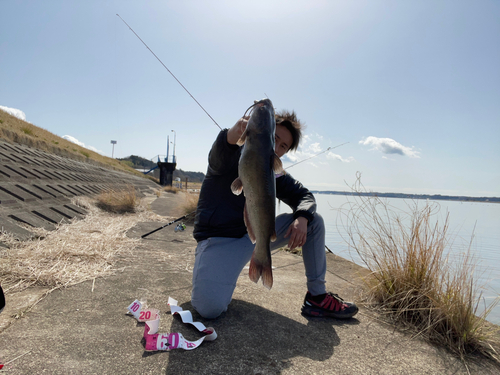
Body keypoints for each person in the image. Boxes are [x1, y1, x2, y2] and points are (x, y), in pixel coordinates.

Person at [191, 106, 358, 320]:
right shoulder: (229, 155)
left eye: (283, 146)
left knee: (314, 221)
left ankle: (317, 298)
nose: (276, 147)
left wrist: (302, 217)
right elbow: (222, 148)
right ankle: (216, 277)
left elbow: (305, 196)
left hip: (255, 238)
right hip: (219, 241)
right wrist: (232, 133)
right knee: (209, 309)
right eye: (274, 138)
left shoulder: (274, 174)